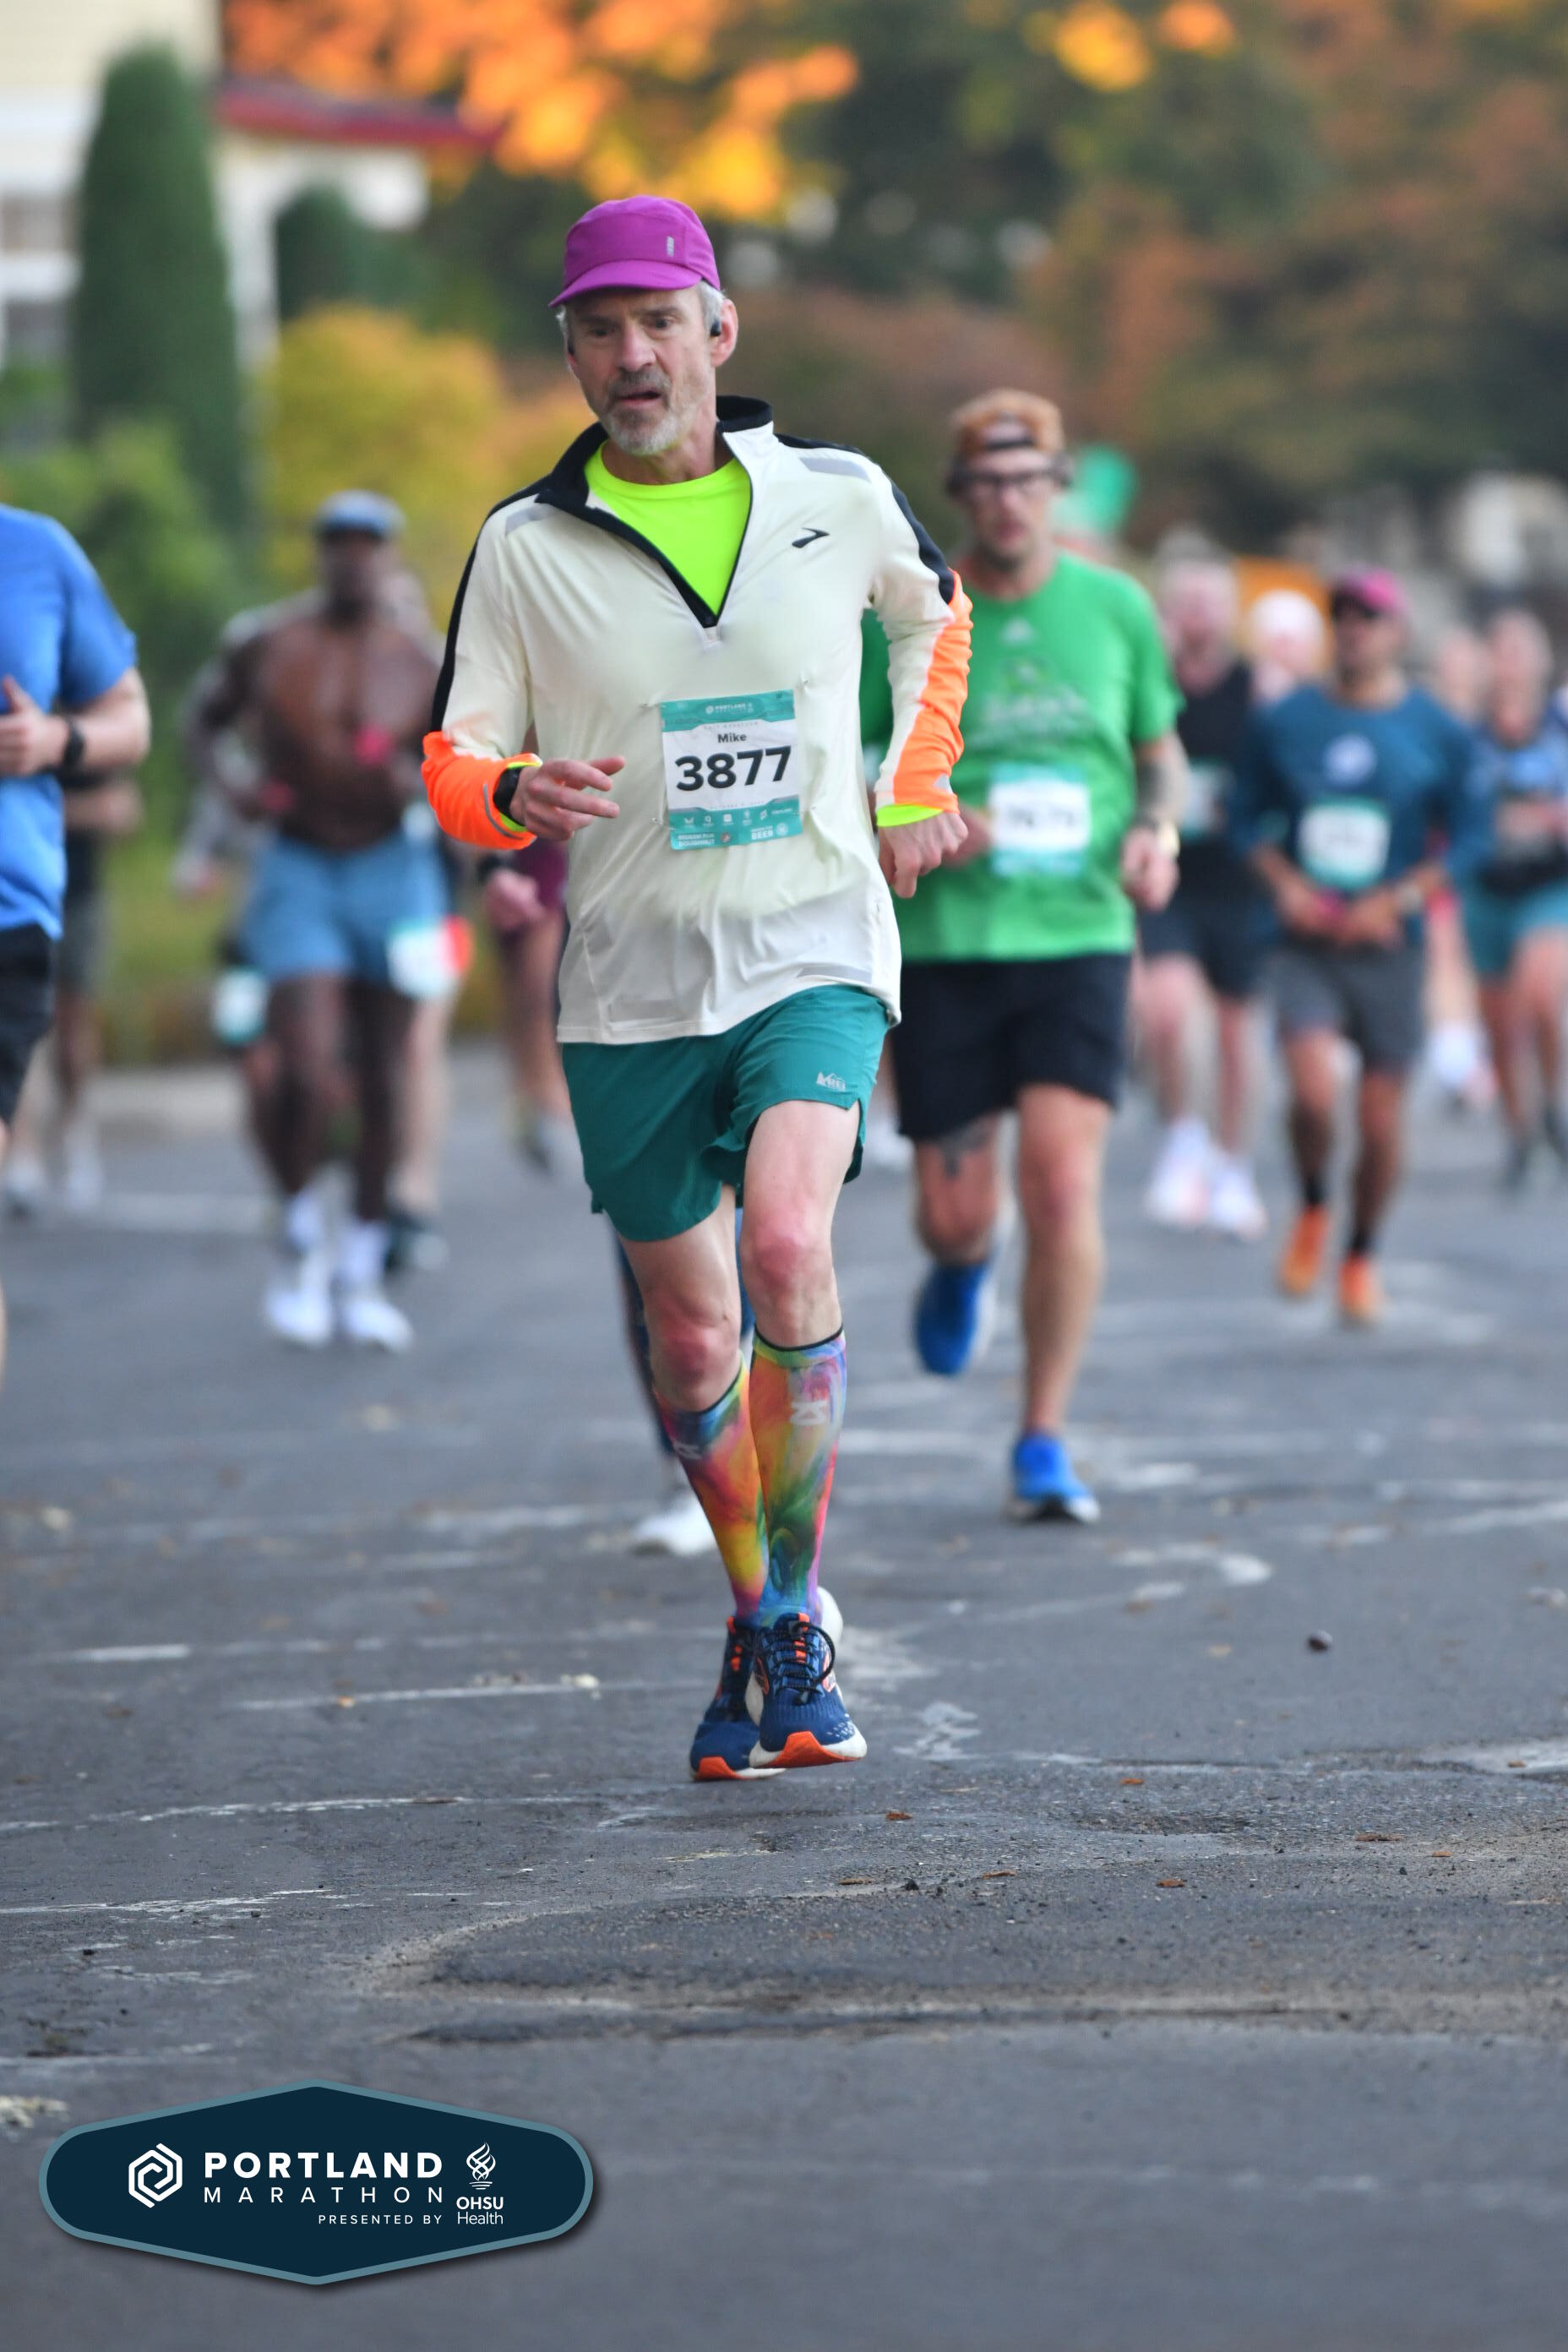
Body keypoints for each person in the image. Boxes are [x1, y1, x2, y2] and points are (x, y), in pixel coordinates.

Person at [423, 193, 970, 1775]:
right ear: (574, 358)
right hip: (630, 985)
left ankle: (793, 1619)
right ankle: (754, 1605)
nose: (631, 354)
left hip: (813, 939)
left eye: (658, 322)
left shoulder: (837, 494)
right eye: (599, 330)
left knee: (788, 1241)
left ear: (718, 332)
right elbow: (454, 753)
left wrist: (913, 779)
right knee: (688, 1333)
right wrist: (511, 792)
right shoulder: (524, 547)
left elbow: (933, 619)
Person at [873, 389, 1184, 1525]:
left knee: (1060, 1184)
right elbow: (854, 759)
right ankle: (964, 1263)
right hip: (946, 942)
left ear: (1058, 488)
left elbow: (1156, 750)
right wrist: (921, 812)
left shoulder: (1115, 608)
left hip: (1078, 935)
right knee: (957, 1213)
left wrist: (1155, 832)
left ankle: (1042, 1435)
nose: (1008, 502)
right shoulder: (912, 614)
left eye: (1027, 481)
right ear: (959, 495)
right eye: (987, 484)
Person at [187, 493, 444, 1350]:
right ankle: (300, 1234)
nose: (353, 559)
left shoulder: (423, 661)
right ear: (320, 553)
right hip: (297, 864)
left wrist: (417, 784)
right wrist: (233, 789)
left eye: (368, 544)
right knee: (302, 1066)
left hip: (392, 869)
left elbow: (462, 761)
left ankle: (362, 1263)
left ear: (389, 555)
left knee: (386, 1077)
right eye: (339, 543)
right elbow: (202, 722)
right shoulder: (269, 642)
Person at [1233, 567, 1478, 1324]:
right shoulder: (1286, 720)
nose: (1354, 631)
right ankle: (1313, 1204)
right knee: (1312, 1095)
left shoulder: (1437, 729)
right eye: (1342, 617)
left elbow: (1470, 837)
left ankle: (1360, 1254)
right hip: (1306, 940)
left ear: (1398, 632)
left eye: (1369, 618)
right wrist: (1286, 886)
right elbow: (1243, 818)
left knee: (1378, 1121)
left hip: (1389, 943)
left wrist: (1401, 898)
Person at [0, 503, 150, 1378]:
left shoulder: (34, 552)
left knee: (78, 1020)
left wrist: (53, 739)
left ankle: (69, 1135)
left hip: (13, 911)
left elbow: (129, 721)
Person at [1136, 553, 1270, 1239]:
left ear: (1231, 612)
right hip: (1171, 877)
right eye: (1186, 601)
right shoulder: (1149, 684)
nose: (1198, 615)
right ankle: (1184, 1136)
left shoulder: (1258, 690)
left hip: (1240, 883)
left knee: (1236, 1033)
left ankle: (1233, 1164)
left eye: (1210, 602)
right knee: (1166, 1014)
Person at [1460, 607, 1568, 1185]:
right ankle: (1517, 1129)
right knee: (1499, 1022)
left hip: (1549, 884)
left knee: (1540, 998)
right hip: (1486, 888)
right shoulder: (1466, 734)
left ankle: (1552, 1101)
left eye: (1520, 650)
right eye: (1500, 650)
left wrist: (1550, 818)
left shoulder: (1560, 725)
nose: (1510, 663)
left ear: (1542, 660)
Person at [5, 768, 144, 1214]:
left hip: (77, 896)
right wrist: (81, 811)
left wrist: (48, 811)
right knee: (19, 1032)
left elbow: (123, 810)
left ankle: (74, 1130)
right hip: (17, 902)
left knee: (72, 1033)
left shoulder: (84, 743)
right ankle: (22, 1153)